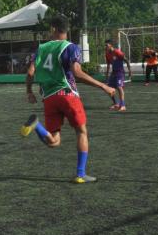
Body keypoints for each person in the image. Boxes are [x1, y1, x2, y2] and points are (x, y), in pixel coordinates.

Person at [23, 16, 115, 184]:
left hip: (49, 98)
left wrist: (29, 91)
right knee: (81, 132)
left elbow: (30, 72)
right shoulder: (70, 47)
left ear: (53, 29)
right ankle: (80, 174)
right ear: (66, 30)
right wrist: (104, 86)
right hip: (67, 95)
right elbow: (77, 73)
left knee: (54, 141)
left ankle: (37, 125)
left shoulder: (41, 48)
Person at [105, 40, 132, 111]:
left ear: (111, 45)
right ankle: (116, 104)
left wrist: (129, 71)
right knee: (109, 89)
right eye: (105, 45)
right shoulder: (107, 54)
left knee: (119, 87)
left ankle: (123, 105)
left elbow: (126, 60)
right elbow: (108, 65)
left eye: (107, 45)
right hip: (113, 73)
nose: (106, 47)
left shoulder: (117, 52)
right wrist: (107, 75)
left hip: (120, 72)